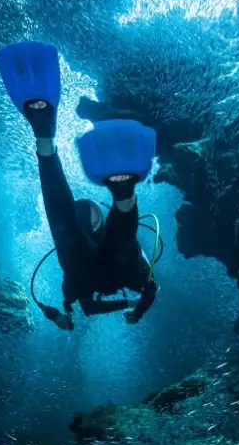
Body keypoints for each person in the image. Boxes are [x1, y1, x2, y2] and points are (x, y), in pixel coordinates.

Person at [20, 99, 159, 330]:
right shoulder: (113, 251)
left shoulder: (78, 276)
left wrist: (134, 307)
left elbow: (87, 308)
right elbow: (151, 290)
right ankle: (45, 142)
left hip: (87, 272)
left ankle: (123, 197)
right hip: (114, 270)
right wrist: (135, 311)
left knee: (67, 229)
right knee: (106, 240)